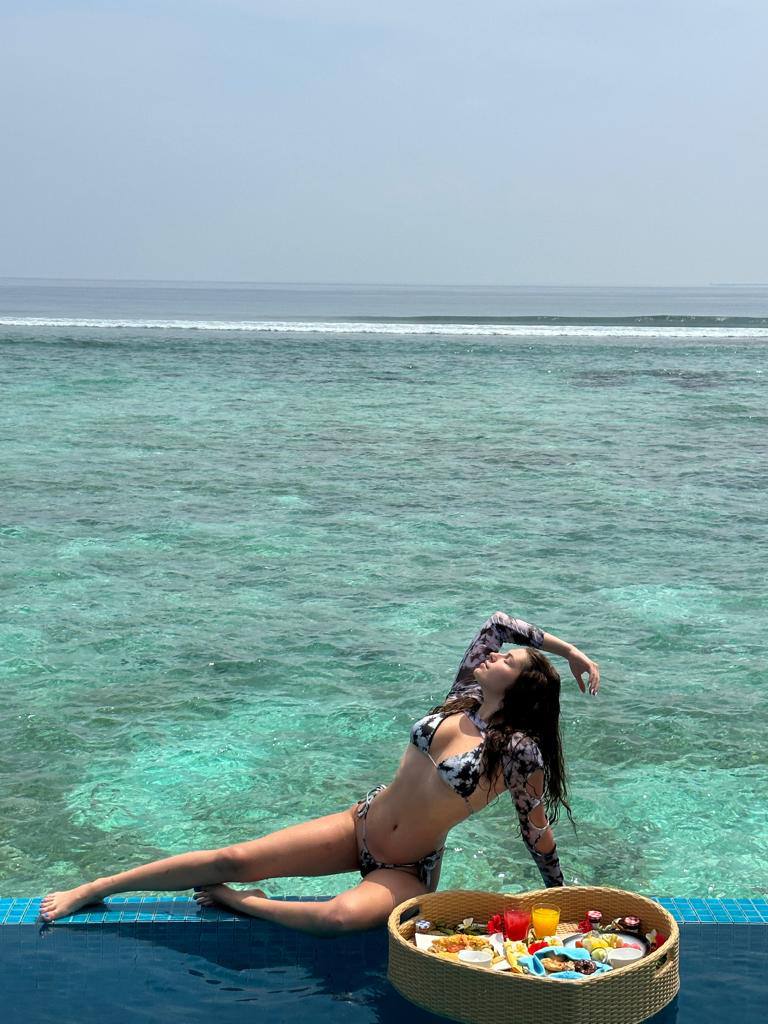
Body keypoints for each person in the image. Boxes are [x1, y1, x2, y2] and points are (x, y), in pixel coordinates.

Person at [40, 610, 599, 935]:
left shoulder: (518, 752)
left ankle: (238, 901)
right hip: (360, 823)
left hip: (406, 868)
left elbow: (535, 829)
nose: (494, 655)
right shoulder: (464, 695)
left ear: (519, 689)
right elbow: (500, 622)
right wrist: (569, 650)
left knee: (336, 920)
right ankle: (96, 887)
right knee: (234, 857)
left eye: (506, 661)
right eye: (499, 654)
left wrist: (562, 895)